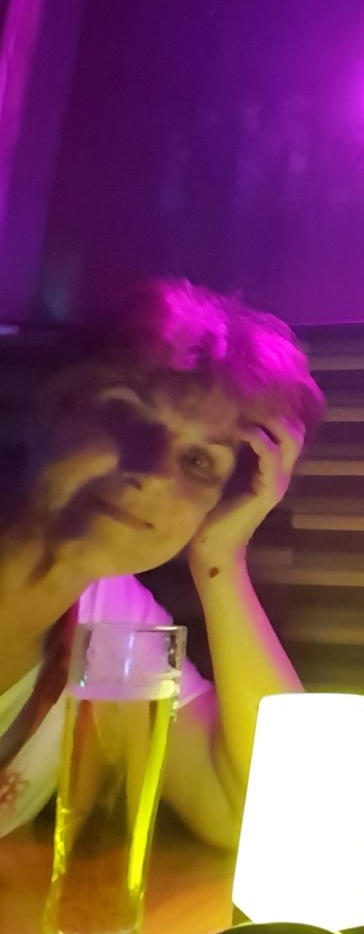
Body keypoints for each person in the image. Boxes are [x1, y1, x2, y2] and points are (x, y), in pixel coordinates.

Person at [0, 279, 324, 850]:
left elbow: (259, 814)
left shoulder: (111, 621)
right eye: (126, 417)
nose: (152, 473)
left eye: (199, 462)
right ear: (52, 409)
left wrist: (220, 558)